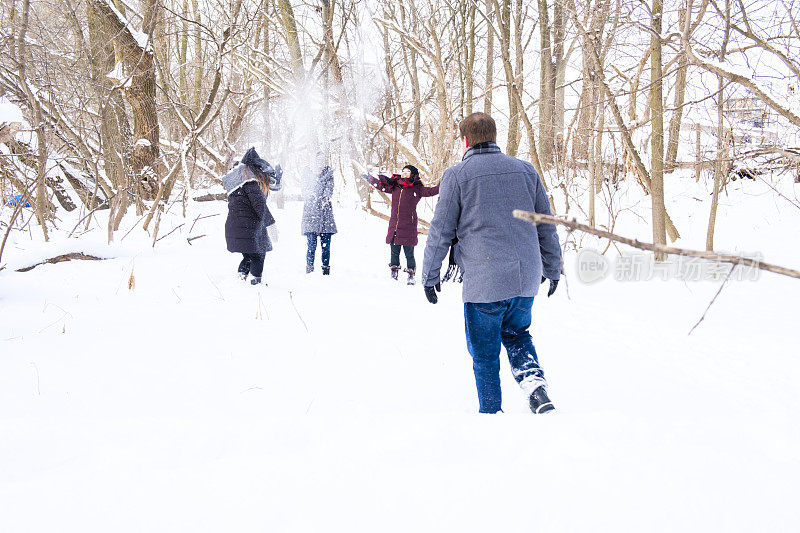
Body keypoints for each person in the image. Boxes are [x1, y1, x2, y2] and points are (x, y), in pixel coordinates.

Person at [420, 113, 562, 414]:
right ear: (494, 137)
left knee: (484, 353)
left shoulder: (457, 175)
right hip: (525, 278)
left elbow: (441, 229)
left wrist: (429, 275)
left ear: (466, 140)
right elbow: (546, 224)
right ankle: (535, 386)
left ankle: (491, 414)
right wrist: (552, 268)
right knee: (517, 335)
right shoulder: (525, 170)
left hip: (485, 282)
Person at [361, 165, 439, 285]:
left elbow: (431, 191)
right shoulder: (395, 186)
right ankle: (394, 271)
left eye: (407, 172)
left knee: (409, 253)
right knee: (394, 251)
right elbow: (381, 186)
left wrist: (444, 184)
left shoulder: (417, 189)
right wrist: (369, 178)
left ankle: (411, 274)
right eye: (403, 172)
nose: (404, 174)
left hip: (409, 224)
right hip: (395, 225)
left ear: (413, 174)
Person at [223, 147, 282, 285]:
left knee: (249, 255)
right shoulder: (249, 181)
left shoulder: (237, 181)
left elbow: (272, 186)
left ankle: (241, 279)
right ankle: (255, 283)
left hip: (237, 226)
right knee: (258, 253)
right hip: (249, 227)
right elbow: (259, 205)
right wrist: (271, 223)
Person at [301, 153, 337, 275]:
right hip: (310, 216)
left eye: (321, 163)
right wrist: (310, 196)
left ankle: (325, 270)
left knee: (325, 246)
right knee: (311, 245)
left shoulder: (328, 175)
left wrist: (325, 198)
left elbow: (329, 189)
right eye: (317, 163)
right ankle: (309, 269)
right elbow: (304, 189)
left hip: (325, 216)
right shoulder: (307, 175)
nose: (319, 166)